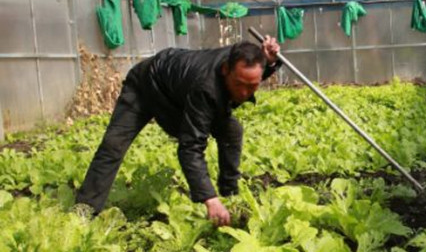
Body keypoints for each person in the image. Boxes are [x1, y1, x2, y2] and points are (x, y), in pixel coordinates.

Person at [76, 37, 281, 226]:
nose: (244, 93)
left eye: (252, 87)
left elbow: (250, 75)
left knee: (232, 130)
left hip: (177, 96)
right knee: (113, 145)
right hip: (144, 86)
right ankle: (85, 211)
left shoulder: (244, 62)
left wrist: (270, 61)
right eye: (238, 85)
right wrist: (209, 199)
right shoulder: (206, 86)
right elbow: (191, 147)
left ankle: (230, 195)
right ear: (226, 69)